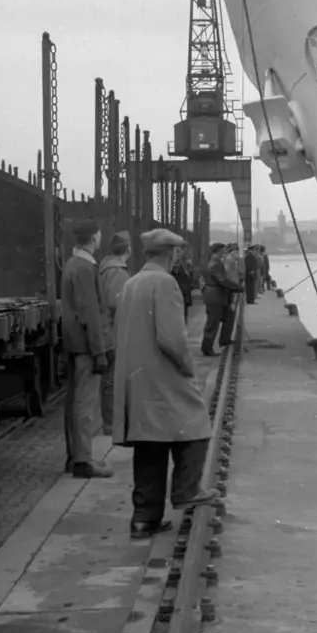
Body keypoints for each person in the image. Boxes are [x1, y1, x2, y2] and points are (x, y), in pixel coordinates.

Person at [112, 228, 220, 539]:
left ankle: (144, 519)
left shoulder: (132, 283)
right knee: (196, 425)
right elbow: (172, 338)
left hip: (137, 375)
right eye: (176, 253)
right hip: (162, 375)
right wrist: (188, 367)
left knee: (150, 445)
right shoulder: (165, 283)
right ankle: (187, 491)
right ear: (170, 253)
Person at [60, 219, 112, 478]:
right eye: (99, 235)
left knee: (74, 402)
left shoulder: (73, 264)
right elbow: (90, 313)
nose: (101, 238)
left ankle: (76, 457)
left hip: (75, 343)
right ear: (93, 237)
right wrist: (99, 351)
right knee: (85, 403)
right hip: (85, 346)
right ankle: (83, 460)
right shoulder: (84, 268)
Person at [97, 231, 131, 437]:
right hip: (113, 330)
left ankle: (112, 420)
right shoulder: (117, 271)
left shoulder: (106, 267)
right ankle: (111, 423)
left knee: (110, 377)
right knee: (112, 377)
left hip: (107, 328)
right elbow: (116, 302)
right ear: (127, 250)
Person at [200, 243, 236, 356]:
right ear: (218, 251)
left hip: (217, 296)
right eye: (223, 250)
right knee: (213, 323)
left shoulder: (214, 262)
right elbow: (222, 280)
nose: (224, 252)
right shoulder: (216, 264)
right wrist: (238, 288)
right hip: (216, 296)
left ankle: (225, 340)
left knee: (229, 317)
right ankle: (207, 348)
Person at [172, 244, 195, 324]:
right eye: (176, 251)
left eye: (179, 251)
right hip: (175, 303)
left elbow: (188, 282)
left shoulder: (185, 267)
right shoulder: (169, 270)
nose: (179, 254)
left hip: (184, 302)